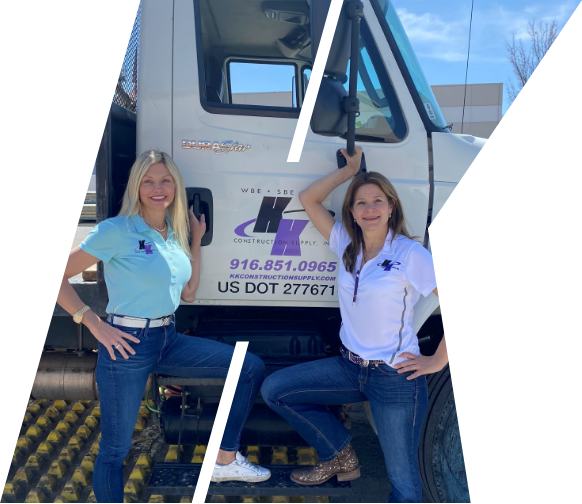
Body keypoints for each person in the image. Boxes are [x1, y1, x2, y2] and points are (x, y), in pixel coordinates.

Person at [58, 150, 270, 503]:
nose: (158, 188)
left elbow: (188, 293)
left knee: (247, 366)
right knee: (115, 449)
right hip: (125, 343)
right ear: (136, 186)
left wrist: (196, 242)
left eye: (165, 180)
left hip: (168, 338)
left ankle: (226, 458)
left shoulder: (174, 232)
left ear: (176, 186)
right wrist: (93, 322)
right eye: (149, 181)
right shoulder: (117, 230)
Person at [261, 147, 448, 503]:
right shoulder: (346, 243)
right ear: (352, 211)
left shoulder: (410, 254)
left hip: (395, 379)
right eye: (361, 203)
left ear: (391, 206)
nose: (370, 209)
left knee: (405, 486)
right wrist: (349, 172)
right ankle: (341, 454)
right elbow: (308, 199)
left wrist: (437, 360)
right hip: (349, 367)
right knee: (276, 390)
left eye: (378, 200)